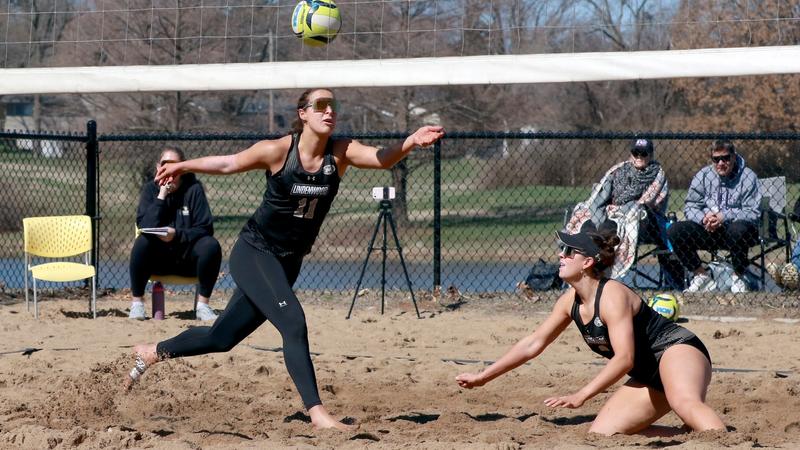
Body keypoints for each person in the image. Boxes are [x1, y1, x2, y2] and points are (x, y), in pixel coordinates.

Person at [123, 88, 445, 431]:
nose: (329, 111)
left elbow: (383, 158)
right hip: (255, 252)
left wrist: (410, 141)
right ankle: (318, 414)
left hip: (289, 261)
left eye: (333, 105)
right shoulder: (279, 149)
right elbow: (229, 163)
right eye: (320, 105)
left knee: (221, 338)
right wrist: (183, 166)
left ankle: (153, 351)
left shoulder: (341, 151)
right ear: (303, 113)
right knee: (293, 322)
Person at [455, 223, 725, 436]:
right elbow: (533, 344)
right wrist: (483, 377)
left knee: (684, 402)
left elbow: (624, 358)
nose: (561, 255)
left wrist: (581, 395)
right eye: (562, 249)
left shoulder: (612, 295)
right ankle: (694, 436)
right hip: (648, 374)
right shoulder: (568, 302)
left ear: (587, 262)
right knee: (603, 432)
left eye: (569, 251)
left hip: (675, 350)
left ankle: (722, 440)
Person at [565, 138, 678, 286]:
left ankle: (601, 273)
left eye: (643, 153)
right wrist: (598, 215)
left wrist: (625, 209)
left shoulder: (658, 174)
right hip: (610, 213)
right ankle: (580, 272)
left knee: (611, 229)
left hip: (644, 220)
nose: (639, 157)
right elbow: (599, 197)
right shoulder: (618, 170)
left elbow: (649, 203)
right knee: (588, 226)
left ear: (650, 155)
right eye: (635, 153)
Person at [130, 147, 222, 321]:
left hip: (187, 258)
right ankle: (137, 305)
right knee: (142, 242)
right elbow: (144, 225)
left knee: (211, 245)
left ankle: (203, 306)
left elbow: (205, 227)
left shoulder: (194, 189)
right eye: (165, 164)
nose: (170, 168)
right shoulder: (150, 189)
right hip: (158, 260)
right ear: (159, 167)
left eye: (175, 164)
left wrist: (177, 235)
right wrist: (162, 195)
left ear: (183, 167)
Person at [667, 140, 760, 293]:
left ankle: (738, 277)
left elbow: (753, 212)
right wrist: (704, 217)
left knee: (738, 229)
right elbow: (690, 205)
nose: (721, 163)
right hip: (708, 228)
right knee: (675, 230)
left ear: (734, 157)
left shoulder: (748, 177)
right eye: (716, 159)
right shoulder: (703, 175)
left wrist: (724, 216)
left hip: (738, 232)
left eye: (726, 158)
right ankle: (701, 276)